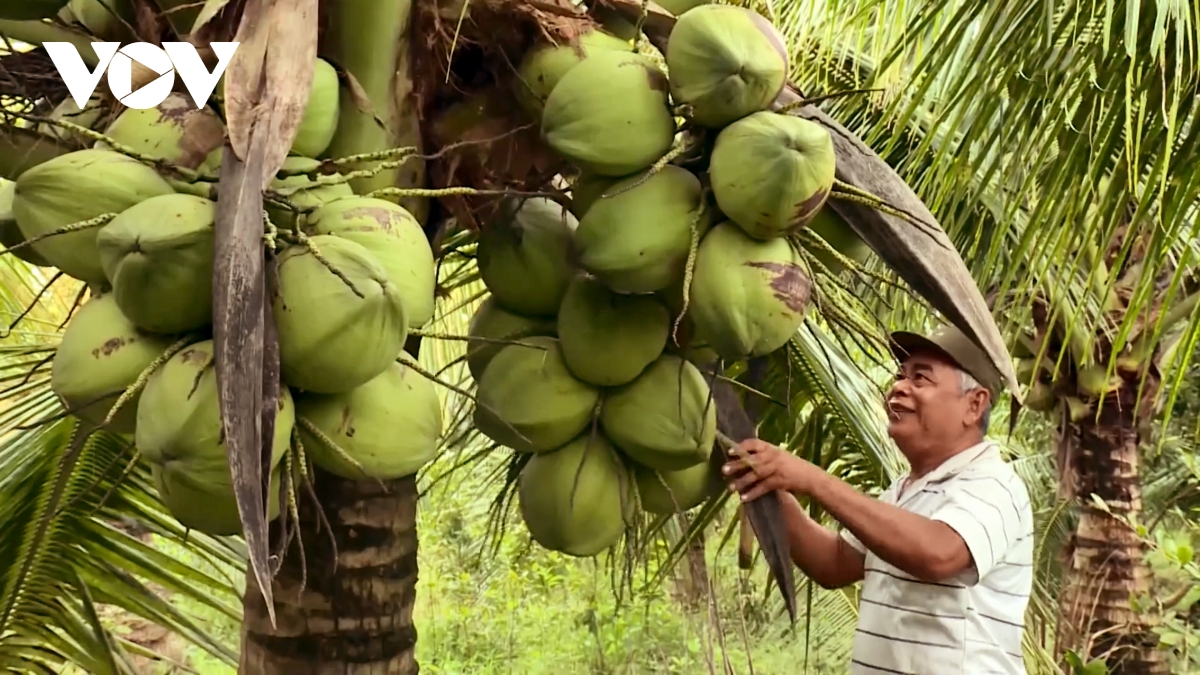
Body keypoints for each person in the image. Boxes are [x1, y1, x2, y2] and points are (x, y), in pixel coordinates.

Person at [723, 324, 1034, 675]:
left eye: (921, 379)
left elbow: (938, 553)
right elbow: (834, 563)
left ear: (974, 404)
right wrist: (767, 481)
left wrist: (812, 478)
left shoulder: (994, 484)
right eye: (900, 376)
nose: (898, 387)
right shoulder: (903, 492)